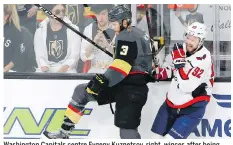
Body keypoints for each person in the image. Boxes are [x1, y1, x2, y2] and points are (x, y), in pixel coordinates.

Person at [43, 5, 153, 139]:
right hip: (123, 85)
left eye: (115, 24)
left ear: (125, 21)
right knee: (82, 91)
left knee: (126, 129)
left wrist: (104, 80)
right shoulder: (136, 32)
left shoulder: (127, 35)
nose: (113, 27)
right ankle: (64, 132)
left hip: (132, 89)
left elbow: (122, 65)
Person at [151, 22, 215, 139]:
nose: (189, 42)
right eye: (188, 37)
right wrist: (159, 73)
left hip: (192, 108)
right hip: (171, 103)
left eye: (193, 39)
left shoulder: (204, 59)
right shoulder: (181, 48)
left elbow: (187, 86)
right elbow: (172, 69)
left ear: (201, 41)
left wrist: (179, 64)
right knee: (155, 138)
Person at [34, 4, 81, 73]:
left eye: (63, 11)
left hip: (66, 69)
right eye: (57, 12)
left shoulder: (73, 30)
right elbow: (40, 56)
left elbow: (74, 56)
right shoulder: (40, 31)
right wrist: (46, 71)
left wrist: (61, 71)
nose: (61, 14)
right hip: (47, 68)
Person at [80, 4, 115, 74]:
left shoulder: (116, 28)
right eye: (98, 14)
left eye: (103, 14)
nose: (100, 18)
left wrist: (107, 45)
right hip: (94, 71)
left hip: (112, 71)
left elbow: (120, 57)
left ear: (109, 14)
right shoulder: (89, 29)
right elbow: (83, 56)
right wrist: (94, 42)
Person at [4, 4, 36, 72]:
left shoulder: (14, 31)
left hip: (10, 71)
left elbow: (18, 54)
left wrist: (5, 69)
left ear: (5, 16)